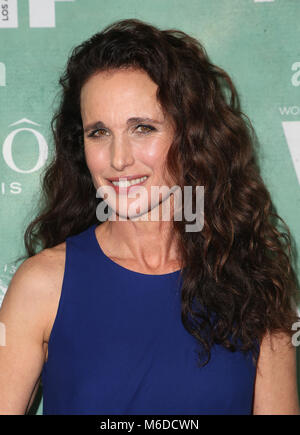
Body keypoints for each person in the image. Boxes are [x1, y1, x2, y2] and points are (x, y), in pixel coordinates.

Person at [0, 18, 299, 415]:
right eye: (99, 132)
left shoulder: (253, 282)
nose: (119, 159)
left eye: (142, 128)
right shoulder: (41, 287)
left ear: (190, 136)